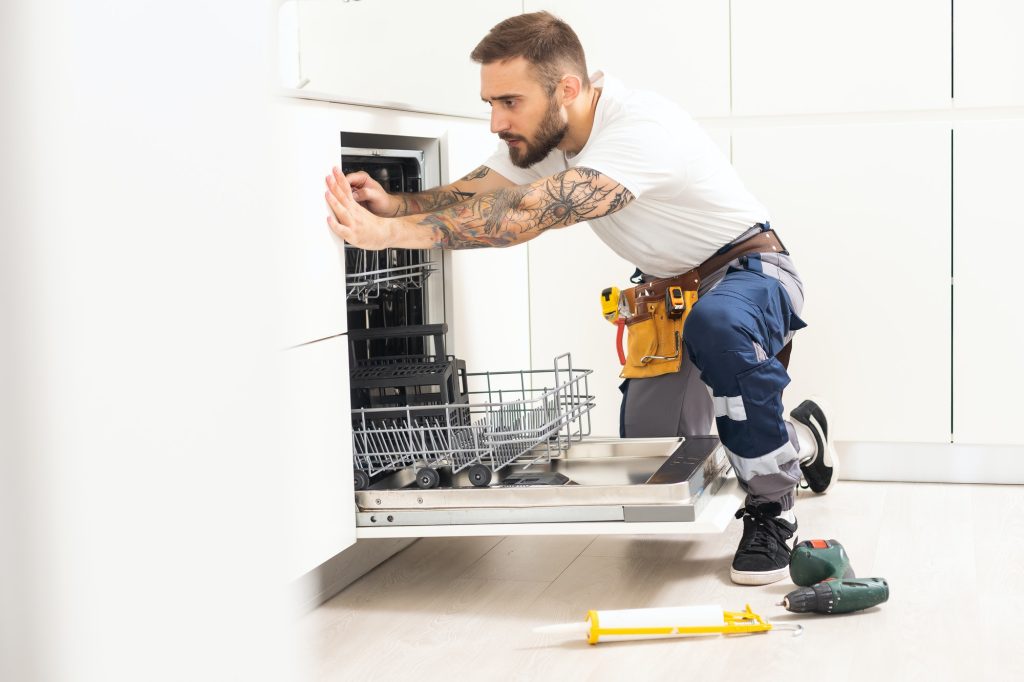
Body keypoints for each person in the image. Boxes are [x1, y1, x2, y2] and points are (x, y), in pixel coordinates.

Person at [324, 11, 837, 585]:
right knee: (662, 455)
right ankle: (801, 439)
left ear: (565, 89)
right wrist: (395, 205)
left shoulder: (640, 128)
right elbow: (476, 191)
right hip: (670, 297)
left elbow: (522, 215)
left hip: (750, 272)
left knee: (717, 328)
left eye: (509, 102)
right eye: (490, 102)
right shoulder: (550, 138)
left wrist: (387, 237)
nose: (495, 121)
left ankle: (772, 505)